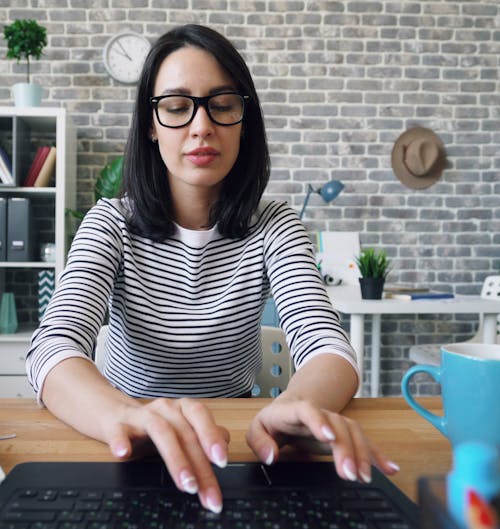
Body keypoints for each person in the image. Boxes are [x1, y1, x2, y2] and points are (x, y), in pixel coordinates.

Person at [25, 23, 398, 514]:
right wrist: (126, 416)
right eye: (178, 107)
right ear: (151, 125)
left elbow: (328, 346)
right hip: (124, 433)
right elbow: (53, 346)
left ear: (245, 120)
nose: (201, 126)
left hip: (236, 440)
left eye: (221, 104)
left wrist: (290, 408)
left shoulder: (274, 224)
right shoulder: (110, 223)